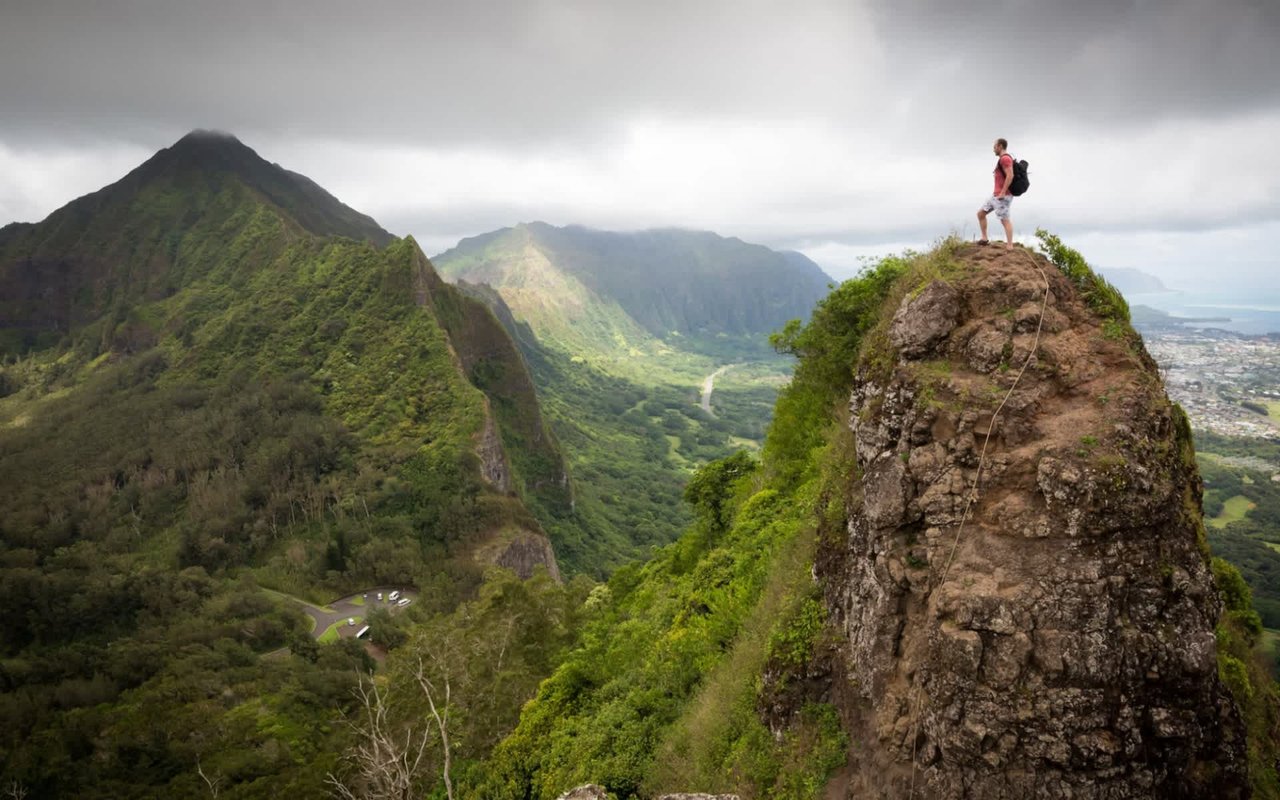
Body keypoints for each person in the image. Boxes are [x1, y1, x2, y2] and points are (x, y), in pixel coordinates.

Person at [978, 138, 1015, 248]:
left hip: (1003, 196)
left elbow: (1010, 175)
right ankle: (984, 238)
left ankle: (1009, 245)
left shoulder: (1005, 159)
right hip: (995, 195)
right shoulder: (1002, 159)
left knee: (1005, 220)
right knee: (981, 214)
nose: (993, 149)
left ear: (1000, 146)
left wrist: (1003, 192)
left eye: (995, 146)